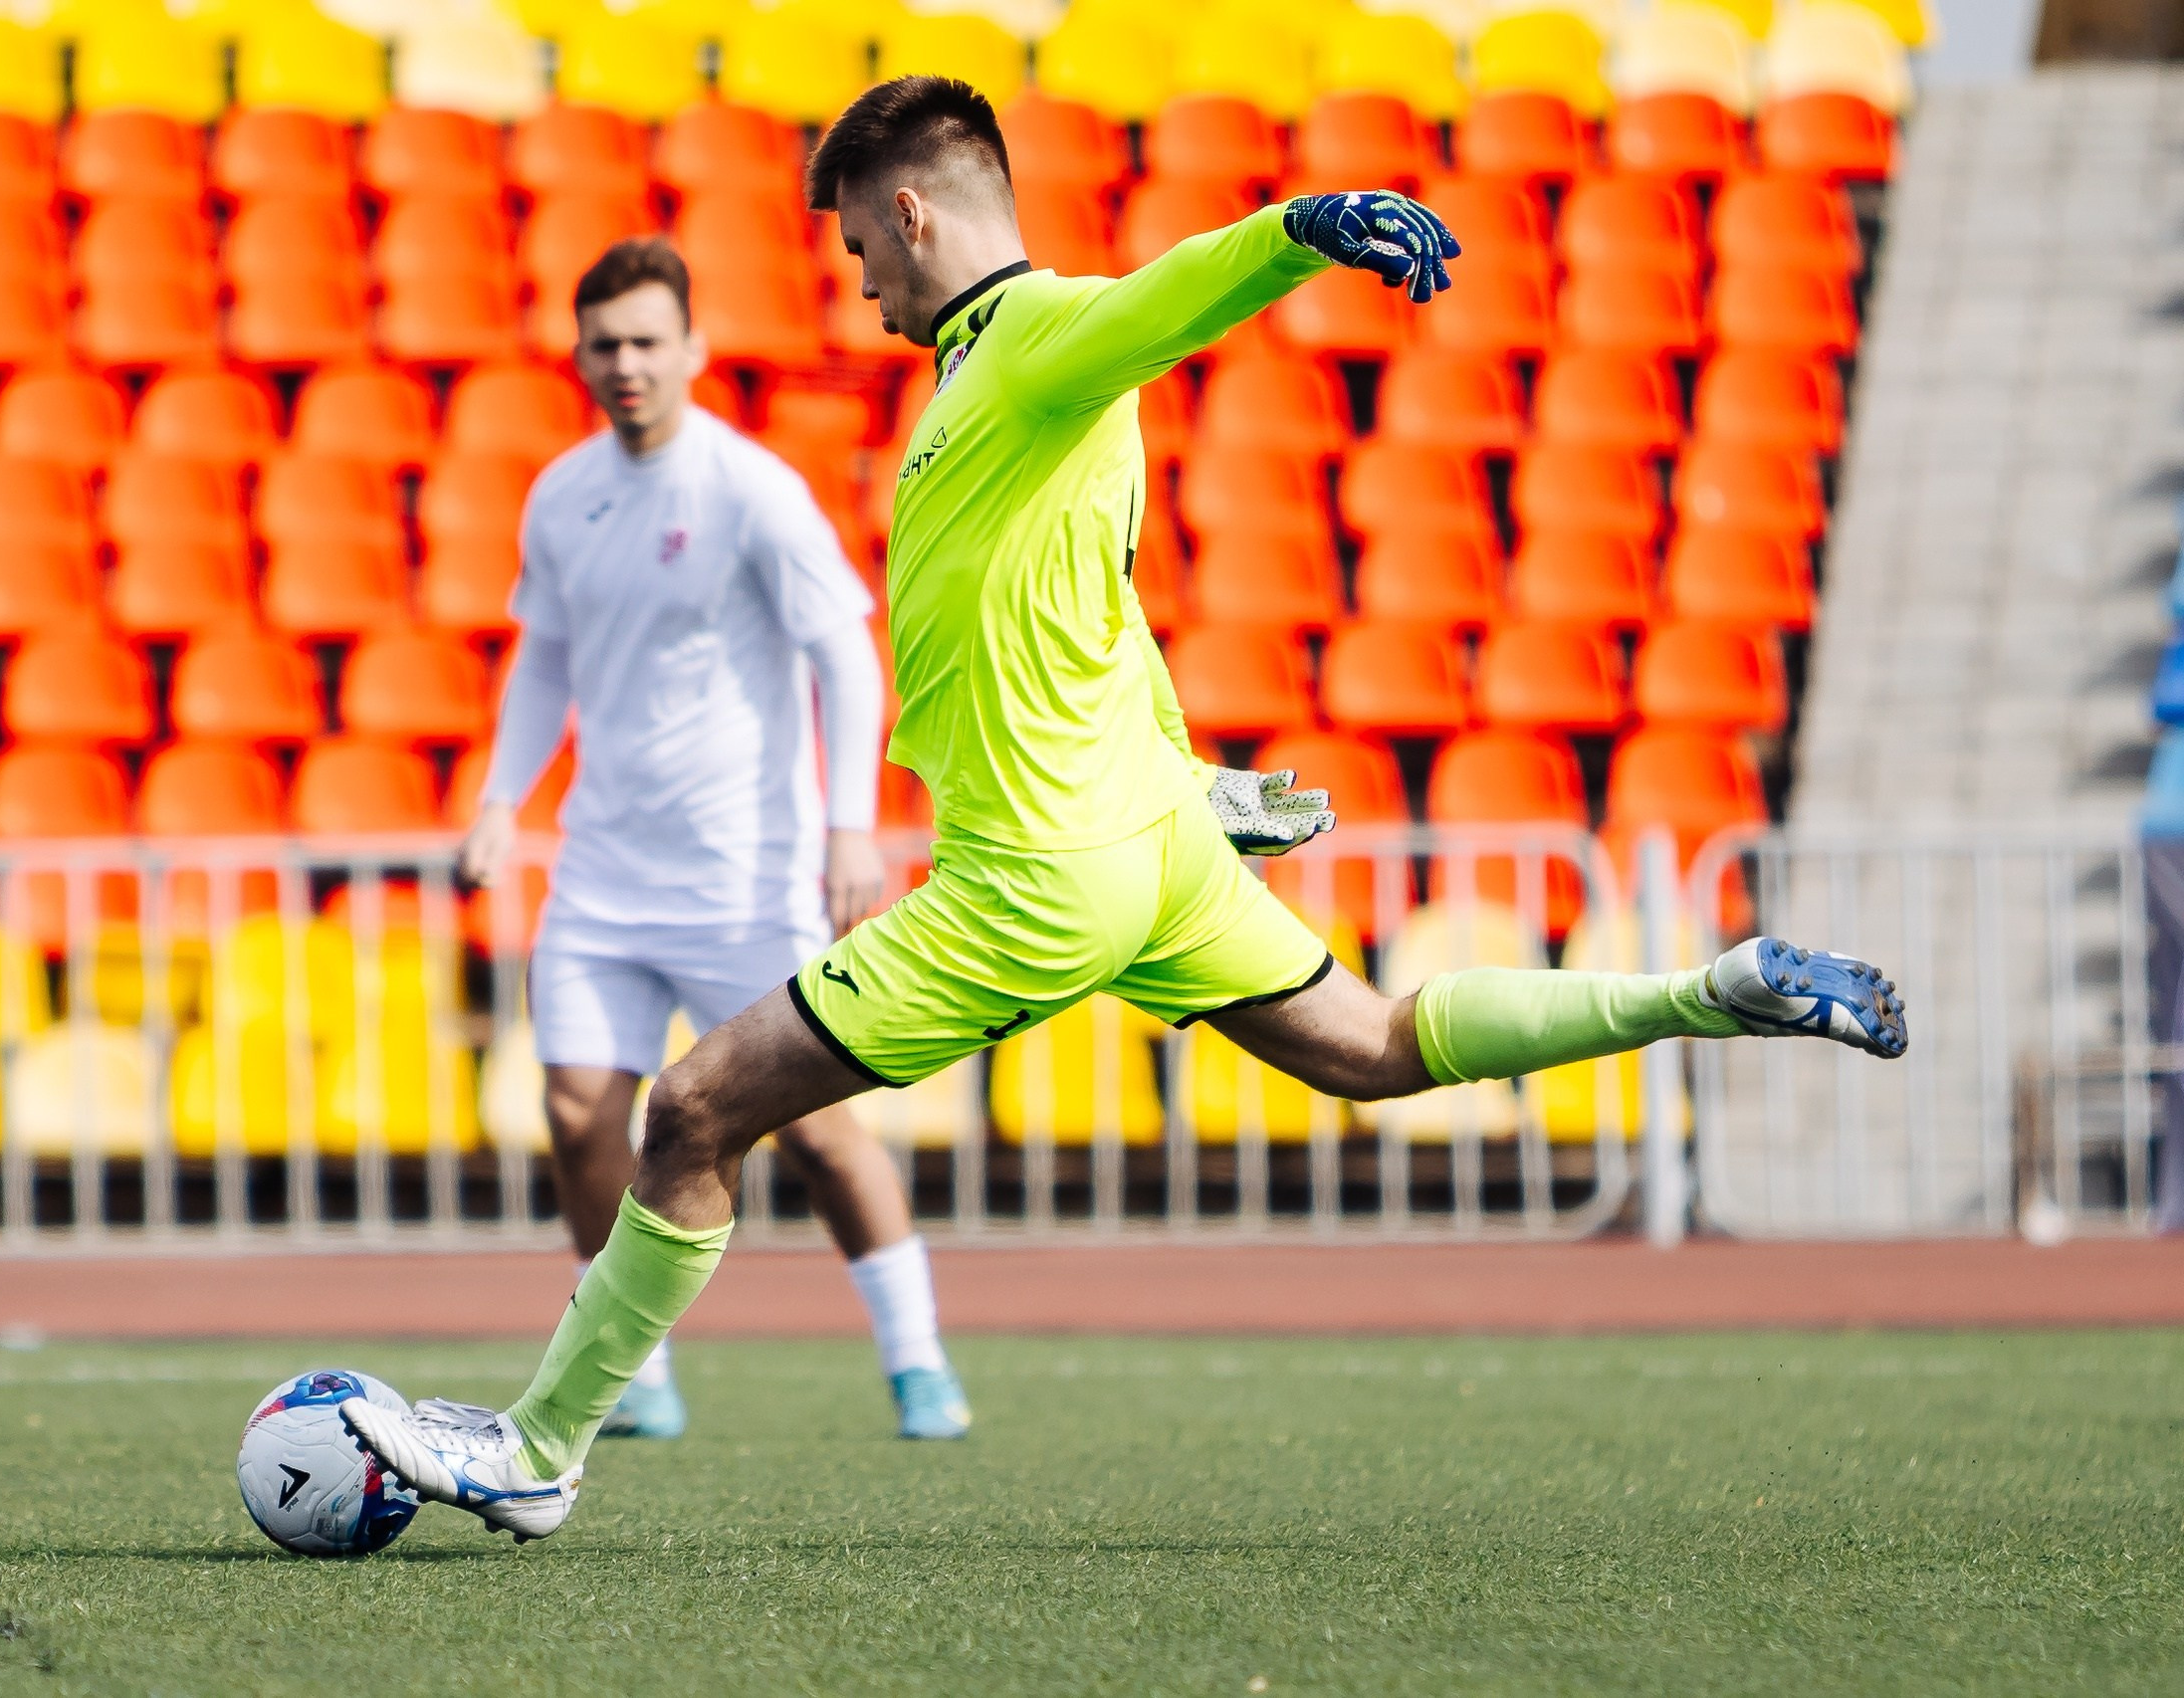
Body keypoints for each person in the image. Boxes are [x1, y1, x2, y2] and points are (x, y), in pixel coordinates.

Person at [347, 76, 1910, 1542]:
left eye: (858, 249)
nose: (859, 287)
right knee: (1374, 1045)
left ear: (909, 214)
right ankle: (1712, 990)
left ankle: (540, 1447)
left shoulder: (1030, 337)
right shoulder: (1011, 389)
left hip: (1034, 875)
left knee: (692, 1110)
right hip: (1151, 845)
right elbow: (1102, 616)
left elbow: (1159, 302)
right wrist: (1187, 778)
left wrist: (1299, 231)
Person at [457, 236, 971, 1443]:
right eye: (604, 344)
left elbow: (846, 652)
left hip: (746, 877)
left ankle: (916, 1359)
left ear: (692, 347)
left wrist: (848, 826)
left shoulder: (751, 490)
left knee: (820, 1129)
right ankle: (633, 1369)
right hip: (602, 870)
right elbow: (544, 658)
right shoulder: (561, 494)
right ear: (579, 355)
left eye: (647, 340)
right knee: (579, 1115)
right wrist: (497, 799)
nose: (625, 363)